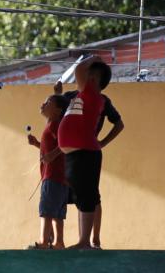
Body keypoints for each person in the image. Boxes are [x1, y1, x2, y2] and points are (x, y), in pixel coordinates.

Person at [54, 74, 124, 249]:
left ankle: (94, 240)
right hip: (71, 153)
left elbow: (119, 124)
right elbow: (58, 113)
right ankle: (83, 240)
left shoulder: (101, 100)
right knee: (82, 196)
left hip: (87, 150)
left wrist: (103, 142)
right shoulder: (70, 96)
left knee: (92, 196)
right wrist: (58, 93)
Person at [27, 94, 70, 250]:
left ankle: (44, 241)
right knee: (57, 213)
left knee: (46, 210)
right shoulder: (52, 124)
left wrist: (51, 155)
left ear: (58, 110)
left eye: (48, 102)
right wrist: (37, 144)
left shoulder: (55, 125)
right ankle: (59, 242)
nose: (43, 104)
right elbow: (50, 149)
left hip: (52, 176)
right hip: (60, 178)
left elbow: (65, 144)